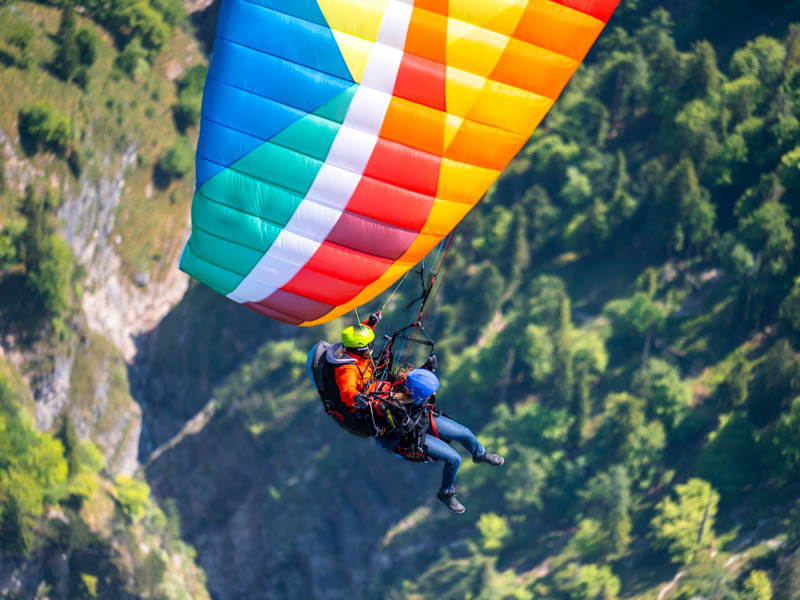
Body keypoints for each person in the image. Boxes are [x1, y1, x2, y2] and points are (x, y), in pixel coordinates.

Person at [369, 368, 504, 514]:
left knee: (465, 433)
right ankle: (446, 493)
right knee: (454, 459)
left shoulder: (410, 382)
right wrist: (403, 426)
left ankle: (479, 454)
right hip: (411, 437)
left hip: (423, 419)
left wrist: (428, 367)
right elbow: (390, 439)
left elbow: (421, 382)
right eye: (430, 392)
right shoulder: (394, 407)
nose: (433, 394)